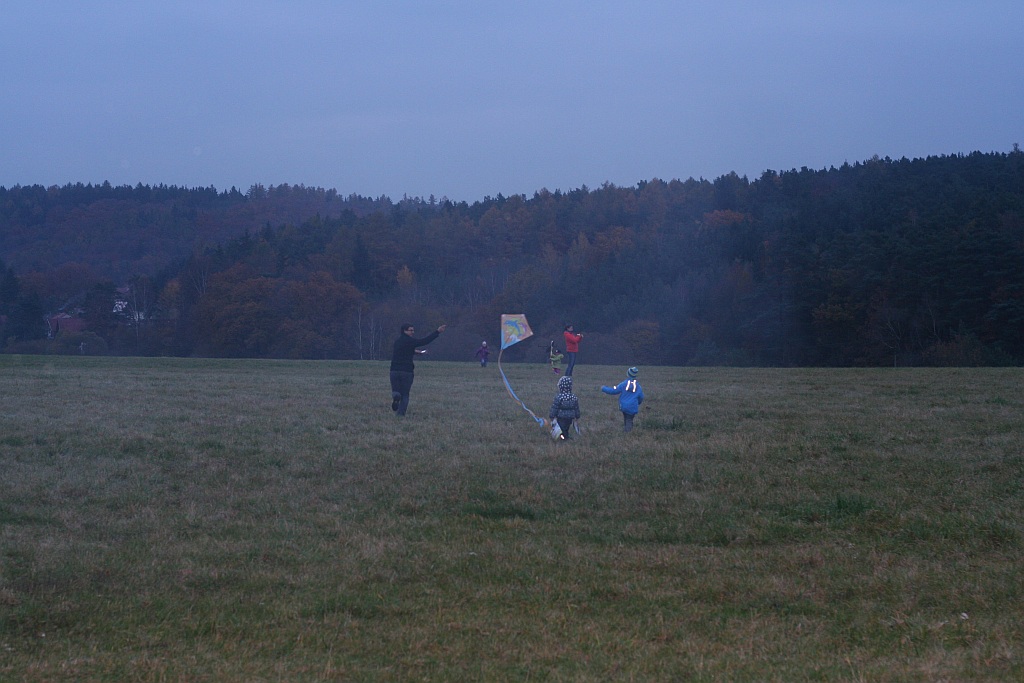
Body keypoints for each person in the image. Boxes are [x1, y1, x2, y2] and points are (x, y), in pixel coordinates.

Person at [390, 322, 446, 416]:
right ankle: (400, 415)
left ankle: (396, 396)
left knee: (396, 390)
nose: (413, 332)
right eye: (410, 330)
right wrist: (437, 332)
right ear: (404, 331)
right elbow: (424, 341)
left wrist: (418, 353)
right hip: (407, 371)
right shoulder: (411, 341)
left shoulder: (397, 342)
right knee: (405, 394)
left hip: (394, 370)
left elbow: (406, 351)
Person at [601, 366, 645, 432]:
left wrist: (604, 388)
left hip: (624, 406)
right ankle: (628, 432)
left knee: (626, 418)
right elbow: (641, 397)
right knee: (629, 419)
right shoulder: (638, 387)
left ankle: (626, 430)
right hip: (632, 407)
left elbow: (614, 390)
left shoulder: (623, 384)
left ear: (628, 374)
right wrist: (638, 403)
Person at [548, 375, 581, 440]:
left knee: (562, 428)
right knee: (566, 427)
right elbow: (576, 407)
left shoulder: (559, 397)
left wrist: (552, 415)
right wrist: (577, 416)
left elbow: (555, 407)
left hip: (561, 417)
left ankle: (563, 438)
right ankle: (565, 436)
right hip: (570, 417)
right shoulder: (573, 397)